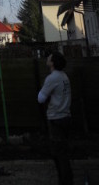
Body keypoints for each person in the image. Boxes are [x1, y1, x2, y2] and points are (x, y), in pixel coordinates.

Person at [38, 51, 73, 185]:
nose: (47, 58)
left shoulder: (52, 78)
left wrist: (44, 91)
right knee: (63, 152)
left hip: (56, 119)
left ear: (52, 63)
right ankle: (65, 179)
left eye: (49, 57)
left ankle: (65, 181)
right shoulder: (64, 76)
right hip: (65, 117)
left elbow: (41, 98)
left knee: (59, 154)